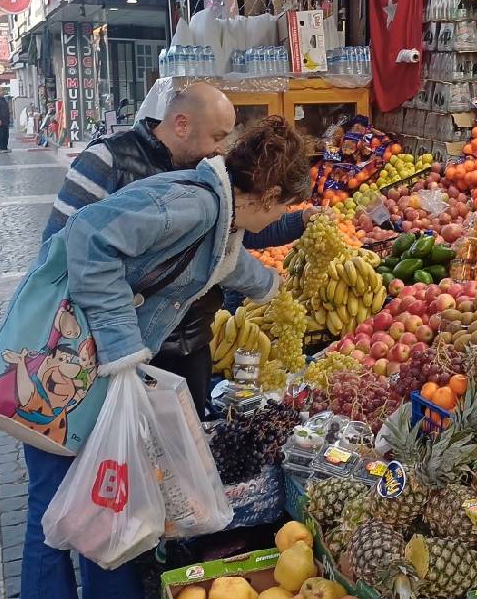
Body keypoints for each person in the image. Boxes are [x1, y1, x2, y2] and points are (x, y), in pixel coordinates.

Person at [21, 116, 312, 599]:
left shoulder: (218, 215)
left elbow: (224, 260)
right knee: (53, 506)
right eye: (284, 207)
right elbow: (87, 239)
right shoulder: (193, 204)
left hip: (93, 369)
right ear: (269, 193)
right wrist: (122, 351)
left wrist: (274, 287)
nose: (277, 220)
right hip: (65, 364)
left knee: (105, 502)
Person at [42, 82, 315, 413]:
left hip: (179, 341)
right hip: (103, 346)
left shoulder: (212, 193)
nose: (221, 149)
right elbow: (77, 239)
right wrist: (121, 347)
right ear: (182, 124)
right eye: (217, 137)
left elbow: (220, 251)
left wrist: (269, 284)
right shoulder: (190, 198)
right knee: (88, 453)